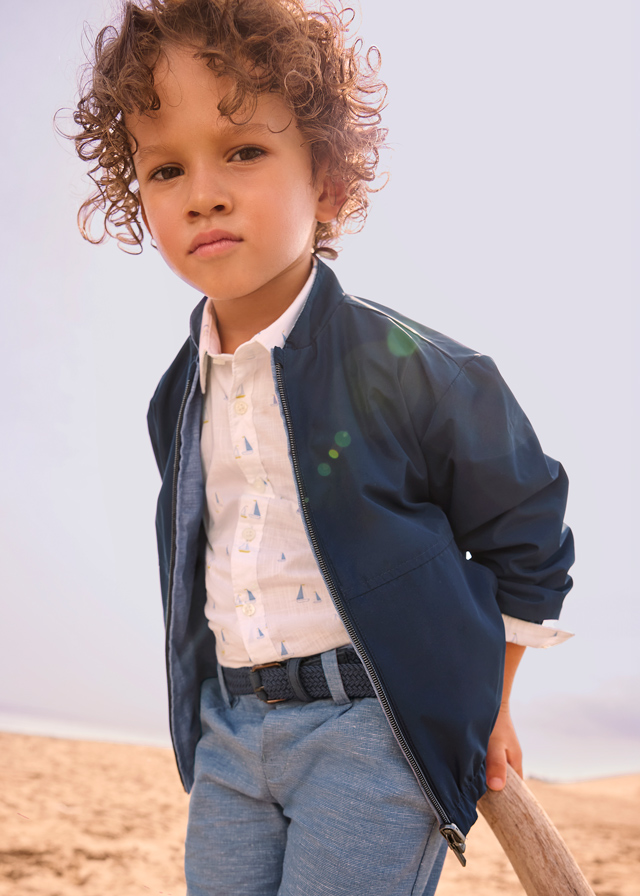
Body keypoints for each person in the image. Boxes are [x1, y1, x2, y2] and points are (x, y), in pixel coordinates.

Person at [71, 1, 575, 893]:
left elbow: (527, 529)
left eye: (243, 151)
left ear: (329, 185)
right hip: (229, 735)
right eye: (166, 167)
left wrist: (488, 702)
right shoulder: (173, 401)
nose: (202, 192)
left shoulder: (415, 369)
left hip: (372, 732)